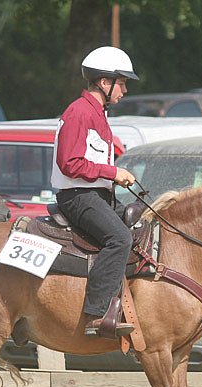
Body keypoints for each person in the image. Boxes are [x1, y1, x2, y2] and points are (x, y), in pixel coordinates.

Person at [51, 46, 139, 338]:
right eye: (122, 83)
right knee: (120, 238)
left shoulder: (97, 113)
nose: (124, 90)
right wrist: (113, 172)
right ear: (105, 82)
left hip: (95, 195)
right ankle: (96, 315)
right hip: (78, 197)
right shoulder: (79, 112)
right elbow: (69, 162)